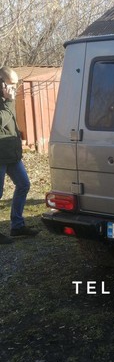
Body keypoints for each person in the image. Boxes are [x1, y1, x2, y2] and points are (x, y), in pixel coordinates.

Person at [0, 66, 38, 244]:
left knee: (23, 184)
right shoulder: (7, 100)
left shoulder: (7, 98)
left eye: (16, 85)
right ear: (1, 83)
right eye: (11, 85)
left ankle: (17, 225)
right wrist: (9, 101)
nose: (14, 89)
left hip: (12, 154)